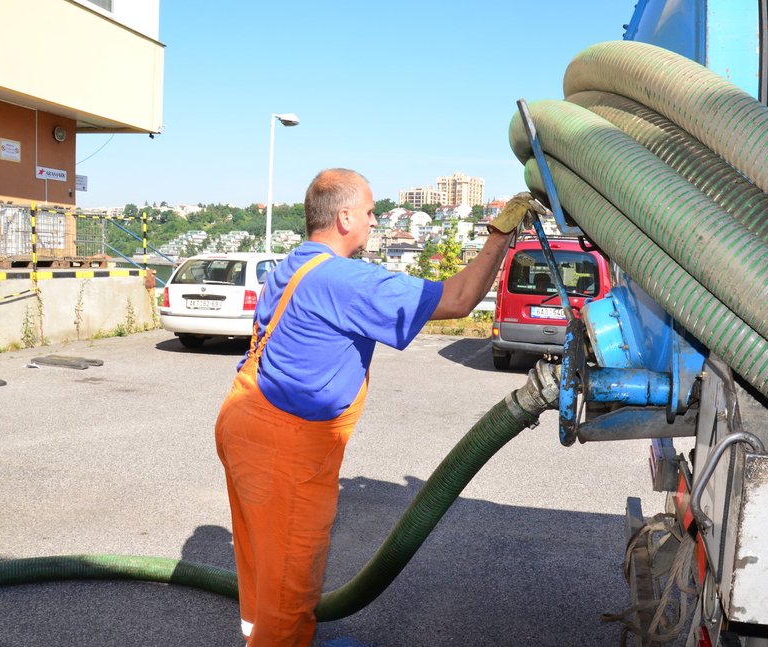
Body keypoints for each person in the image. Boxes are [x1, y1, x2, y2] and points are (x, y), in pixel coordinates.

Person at [214, 168, 536, 646]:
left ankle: (260, 634)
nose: (374, 221)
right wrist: (500, 235)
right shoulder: (346, 280)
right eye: (368, 212)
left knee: (263, 565)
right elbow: (461, 298)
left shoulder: (296, 264)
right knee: (288, 587)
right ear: (344, 217)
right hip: (286, 446)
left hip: (244, 419)